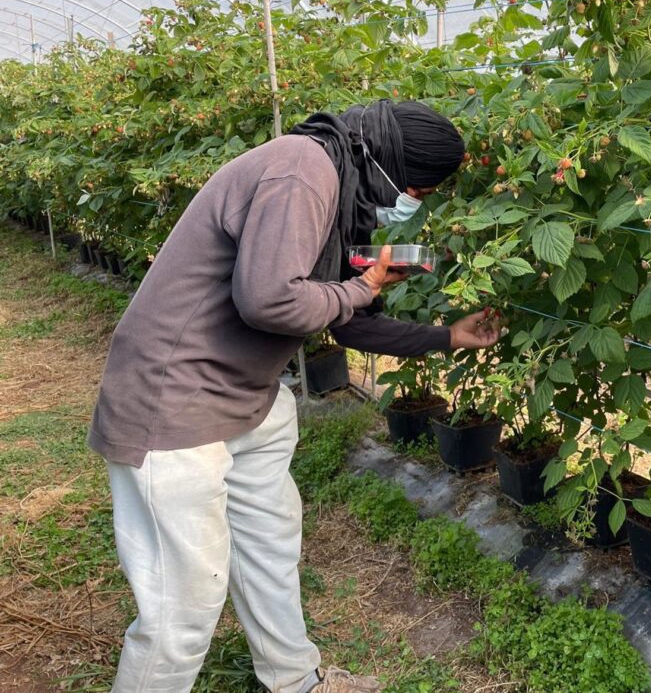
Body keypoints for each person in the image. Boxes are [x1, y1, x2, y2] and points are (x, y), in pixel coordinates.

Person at [89, 99, 499, 693]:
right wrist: (360, 287)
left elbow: (348, 323)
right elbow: (269, 300)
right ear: (384, 159)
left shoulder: (339, 189)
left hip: (247, 399)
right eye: (417, 188)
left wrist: (445, 336)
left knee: (271, 551)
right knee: (183, 606)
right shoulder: (302, 169)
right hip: (173, 402)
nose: (415, 201)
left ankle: (296, 680)